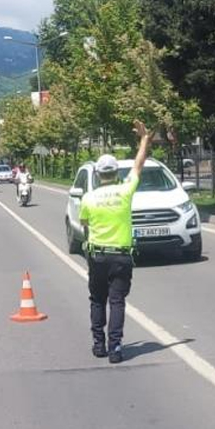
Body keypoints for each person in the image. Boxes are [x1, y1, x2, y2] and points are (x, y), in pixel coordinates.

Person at [78, 120, 151, 364]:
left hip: (97, 256)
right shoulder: (125, 191)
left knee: (97, 299)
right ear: (116, 173)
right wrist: (144, 139)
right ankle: (116, 347)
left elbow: (85, 225)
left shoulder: (89, 198)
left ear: (98, 175)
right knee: (117, 301)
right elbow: (139, 165)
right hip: (121, 256)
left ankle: (98, 344)